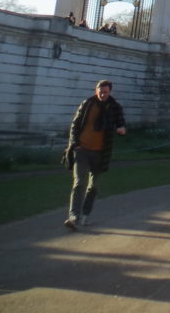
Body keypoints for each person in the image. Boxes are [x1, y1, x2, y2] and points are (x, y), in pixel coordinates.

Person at [64, 79, 127, 230]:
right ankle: (73, 217)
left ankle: (85, 215)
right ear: (96, 90)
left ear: (110, 92)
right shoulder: (87, 104)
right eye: (101, 92)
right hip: (82, 150)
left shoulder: (115, 107)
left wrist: (122, 129)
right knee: (79, 183)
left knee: (93, 185)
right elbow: (75, 124)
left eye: (105, 92)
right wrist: (75, 143)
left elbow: (121, 123)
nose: (103, 94)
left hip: (100, 153)